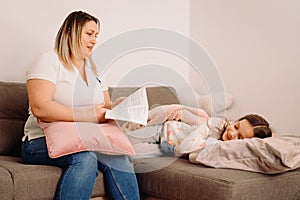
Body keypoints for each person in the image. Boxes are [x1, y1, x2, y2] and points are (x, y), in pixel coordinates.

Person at [21, 11, 140, 200]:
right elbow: (40, 108)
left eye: (96, 35)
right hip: (38, 142)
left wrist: (123, 108)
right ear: (70, 32)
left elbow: (105, 106)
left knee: (118, 157)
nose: (94, 40)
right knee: (85, 157)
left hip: (87, 138)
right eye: (89, 34)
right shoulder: (49, 61)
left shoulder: (95, 69)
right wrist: (89, 115)